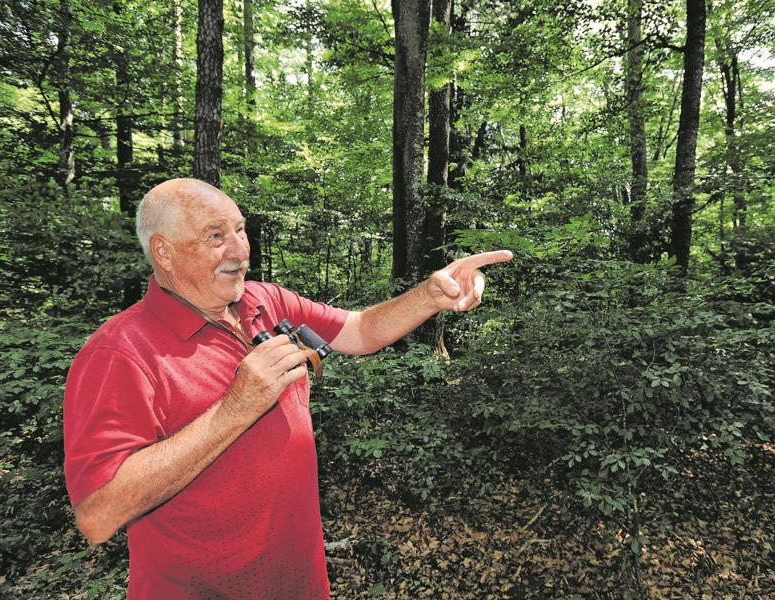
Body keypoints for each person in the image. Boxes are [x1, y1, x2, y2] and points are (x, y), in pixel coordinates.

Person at [63, 178, 512, 599]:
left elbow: (360, 330)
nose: (240, 249)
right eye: (215, 236)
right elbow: (98, 515)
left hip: (299, 580)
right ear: (163, 251)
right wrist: (236, 407)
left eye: (240, 229)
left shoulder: (264, 300)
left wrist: (430, 296)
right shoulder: (119, 352)